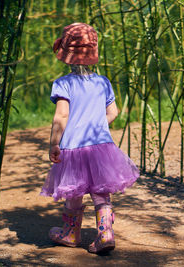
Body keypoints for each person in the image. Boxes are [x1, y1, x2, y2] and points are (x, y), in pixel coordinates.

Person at [40, 22, 139, 254]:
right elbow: (113, 112)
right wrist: (95, 125)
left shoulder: (63, 83)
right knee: (101, 192)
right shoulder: (103, 82)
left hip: (73, 148)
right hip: (101, 146)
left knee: (73, 192)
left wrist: (54, 143)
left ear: (66, 55)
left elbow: (62, 115)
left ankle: (71, 233)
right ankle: (105, 234)